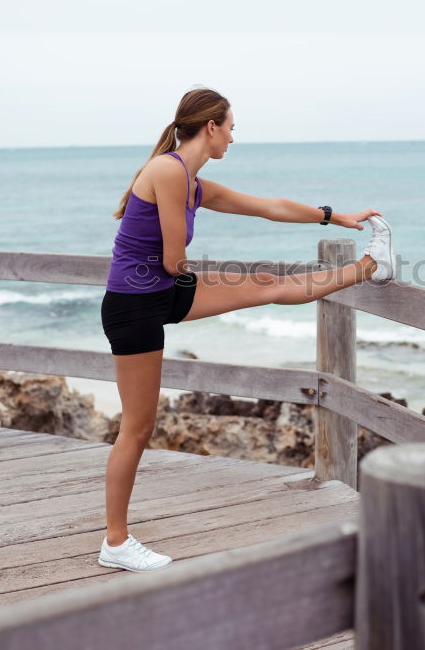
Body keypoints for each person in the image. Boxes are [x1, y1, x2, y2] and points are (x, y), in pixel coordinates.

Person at [97, 87, 394, 572]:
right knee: (137, 427)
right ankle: (115, 542)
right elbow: (173, 258)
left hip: (159, 292)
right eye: (231, 127)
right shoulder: (170, 172)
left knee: (267, 286)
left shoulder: (192, 181)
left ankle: (370, 266)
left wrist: (333, 216)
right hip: (134, 306)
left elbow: (268, 207)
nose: (233, 138)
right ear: (210, 127)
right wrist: (209, 279)